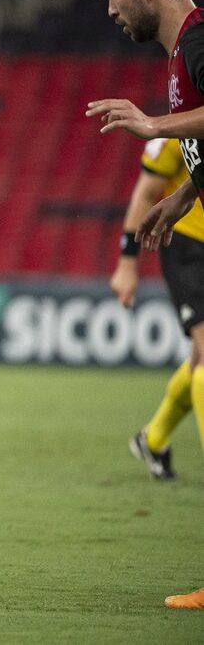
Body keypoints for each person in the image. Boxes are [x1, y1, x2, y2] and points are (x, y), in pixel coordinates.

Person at [86, 0, 204, 611]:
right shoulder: (181, 53)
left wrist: (158, 128)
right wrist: (185, 194)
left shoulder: (197, 42)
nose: (109, 8)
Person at [110, 138, 204, 481]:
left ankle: (153, 438)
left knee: (199, 357)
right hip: (188, 244)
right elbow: (147, 192)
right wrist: (127, 263)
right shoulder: (174, 134)